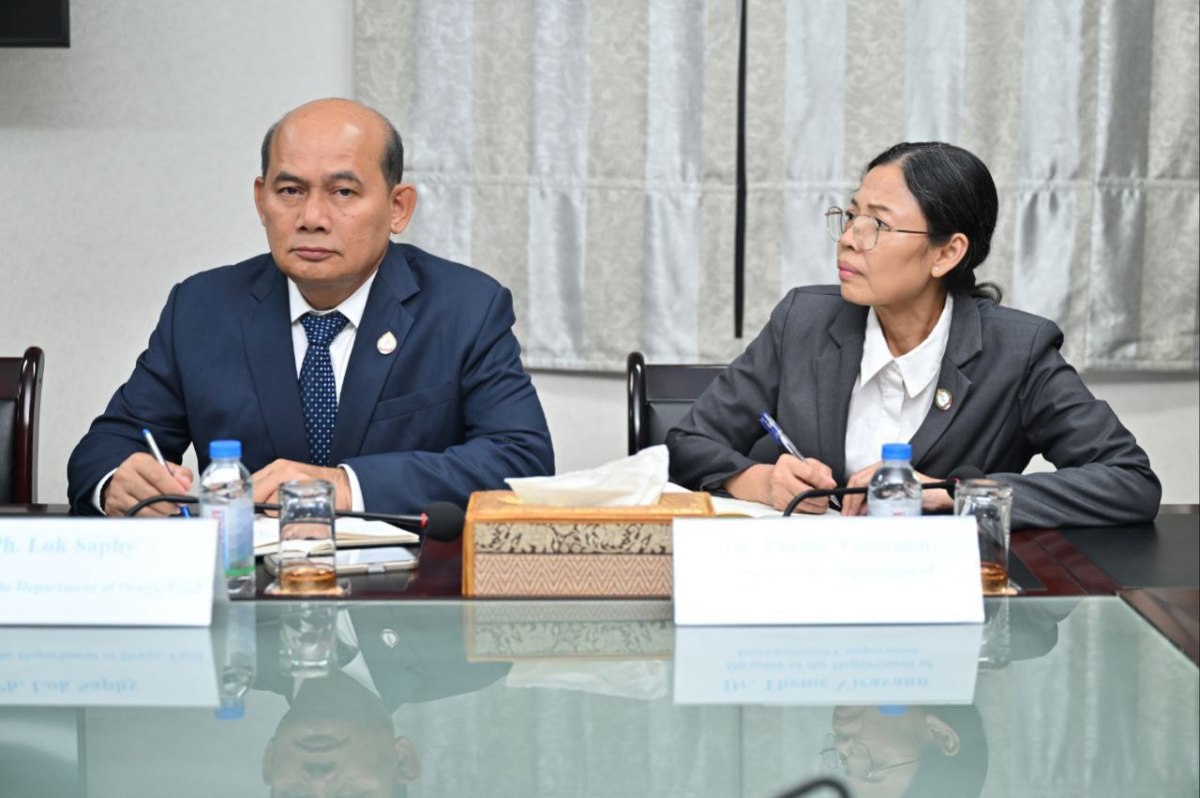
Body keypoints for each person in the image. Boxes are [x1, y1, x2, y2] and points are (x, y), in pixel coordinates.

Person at [67, 98, 554, 517]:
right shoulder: (201, 308)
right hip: (248, 584)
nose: (312, 218)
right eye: (290, 191)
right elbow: (105, 448)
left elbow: (521, 461)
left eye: (343, 192)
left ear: (398, 207)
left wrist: (344, 485)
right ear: (262, 201)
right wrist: (115, 482)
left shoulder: (465, 308)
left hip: (405, 584)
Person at [667, 142, 1159, 529]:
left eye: (877, 225)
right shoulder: (804, 321)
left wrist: (952, 493)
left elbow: (1129, 481)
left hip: (944, 598)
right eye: (852, 216)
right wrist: (758, 480)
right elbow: (687, 442)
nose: (849, 238)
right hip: (810, 587)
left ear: (947, 253)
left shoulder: (1017, 352)